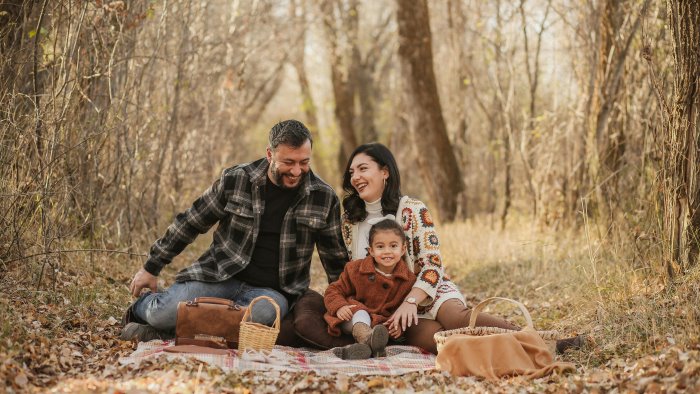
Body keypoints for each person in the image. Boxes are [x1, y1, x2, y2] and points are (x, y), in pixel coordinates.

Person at [294, 142, 585, 354]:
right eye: (352, 172)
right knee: (440, 338)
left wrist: (412, 300)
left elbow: (433, 264)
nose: (355, 176)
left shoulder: (412, 210)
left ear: (385, 172)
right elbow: (358, 274)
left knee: (457, 319)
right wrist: (382, 315)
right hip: (392, 308)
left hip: (427, 290)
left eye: (363, 168)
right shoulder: (350, 222)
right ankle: (510, 353)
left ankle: (546, 343)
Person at [120, 119, 349, 342]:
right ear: (270, 154)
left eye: (304, 162)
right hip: (218, 276)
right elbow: (191, 221)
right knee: (161, 313)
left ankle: (166, 334)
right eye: (289, 162)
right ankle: (147, 307)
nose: (297, 171)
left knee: (263, 317)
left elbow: (335, 260)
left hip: (271, 293)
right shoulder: (236, 179)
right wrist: (152, 266)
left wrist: (346, 306)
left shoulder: (324, 198)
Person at [324, 218, 416, 359]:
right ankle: (367, 338)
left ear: (403, 249)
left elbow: (402, 310)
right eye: (380, 247)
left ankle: (363, 349)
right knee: (361, 313)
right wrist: (339, 307)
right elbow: (333, 290)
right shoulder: (355, 269)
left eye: (393, 246)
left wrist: (398, 326)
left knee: (381, 330)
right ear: (371, 251)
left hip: (380, 325)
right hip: (351, 316)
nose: (387, 252)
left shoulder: (408, 280)